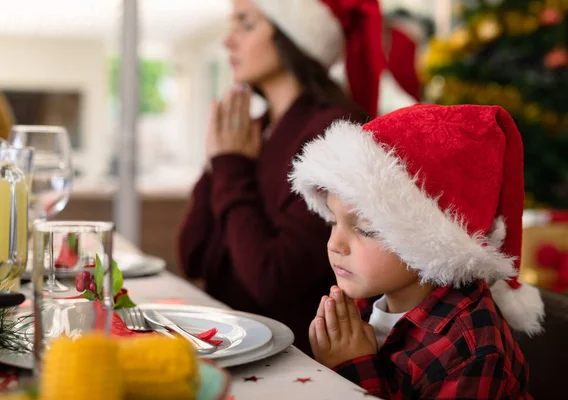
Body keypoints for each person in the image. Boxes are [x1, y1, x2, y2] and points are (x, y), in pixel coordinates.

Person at [289, 104, 545, 398]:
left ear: (427, 238)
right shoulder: (366, 296)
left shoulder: (470, 350)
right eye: (333, 221)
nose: (335, 244)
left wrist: (350, 368)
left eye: (366, 229)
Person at [177, 0, 383, 354]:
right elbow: (192, 254)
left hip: (292, 357)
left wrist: (229, 167)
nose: (228, 41)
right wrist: (217, 163)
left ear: (291, 35)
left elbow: (272, 279)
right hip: (225, 340)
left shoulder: (335, 130)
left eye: (245, 23)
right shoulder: (251, 132)